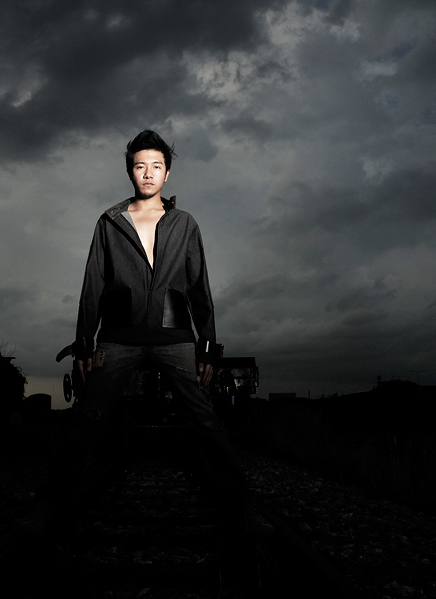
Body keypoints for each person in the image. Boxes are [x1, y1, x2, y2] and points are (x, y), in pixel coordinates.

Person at [23, 130, 269, 541]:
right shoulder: (109, 222)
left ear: (167, 174)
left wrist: (208, 347)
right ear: (130, 172)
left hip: (175, 338)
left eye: (157, 166)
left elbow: (199, 288)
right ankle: (48, 506)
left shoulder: (185, 223)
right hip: (118, 337)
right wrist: (85, 343)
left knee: (205, 421)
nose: (148, 173)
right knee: (86, 419)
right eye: (140, 166)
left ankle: (243, 507)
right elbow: (92, 286)